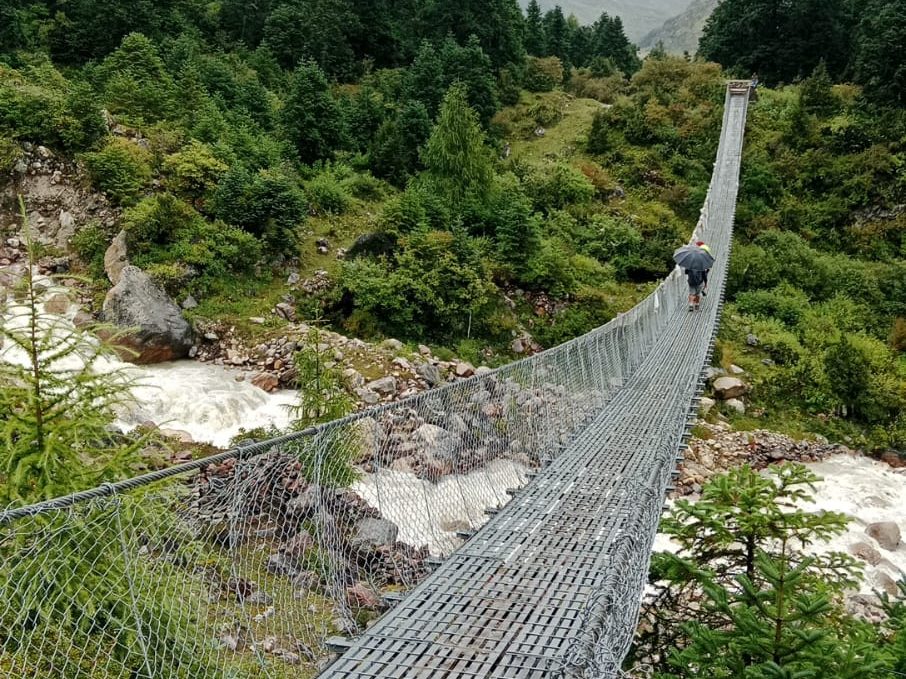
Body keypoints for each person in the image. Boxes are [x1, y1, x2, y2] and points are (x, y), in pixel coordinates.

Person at [685, 241, 711, 312]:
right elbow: (704, 274)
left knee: (691, 293)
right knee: (698, 294)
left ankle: (690, 304)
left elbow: (686, 272)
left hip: (691, 281)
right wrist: (705, 282)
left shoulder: (690, 263)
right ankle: (696, 304)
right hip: (699, 281)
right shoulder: (701, 263)